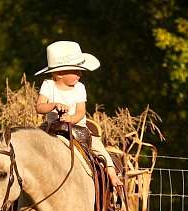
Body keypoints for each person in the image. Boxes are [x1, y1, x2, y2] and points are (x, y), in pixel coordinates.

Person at [35, 41, 123, 187]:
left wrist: (71, 119)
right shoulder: (48, 85)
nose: (80, 74)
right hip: (52, 126)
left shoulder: (79, 88)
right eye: (76, 71)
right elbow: (39, 107)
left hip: (78, 127)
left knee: (98, 148)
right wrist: (54, 105)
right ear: (60, 73)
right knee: (33, 144)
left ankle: (112, 175)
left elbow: (81, 112)